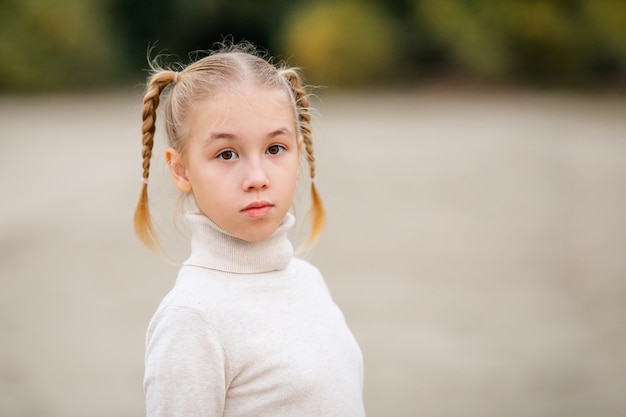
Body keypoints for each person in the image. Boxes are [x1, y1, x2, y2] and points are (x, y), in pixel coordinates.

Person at [133, 43, 365, 417]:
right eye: (227, 154)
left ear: (299, 152)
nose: (257, 178)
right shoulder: (192, 318)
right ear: (181, 170)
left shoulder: (309, 280)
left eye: (275, 148)